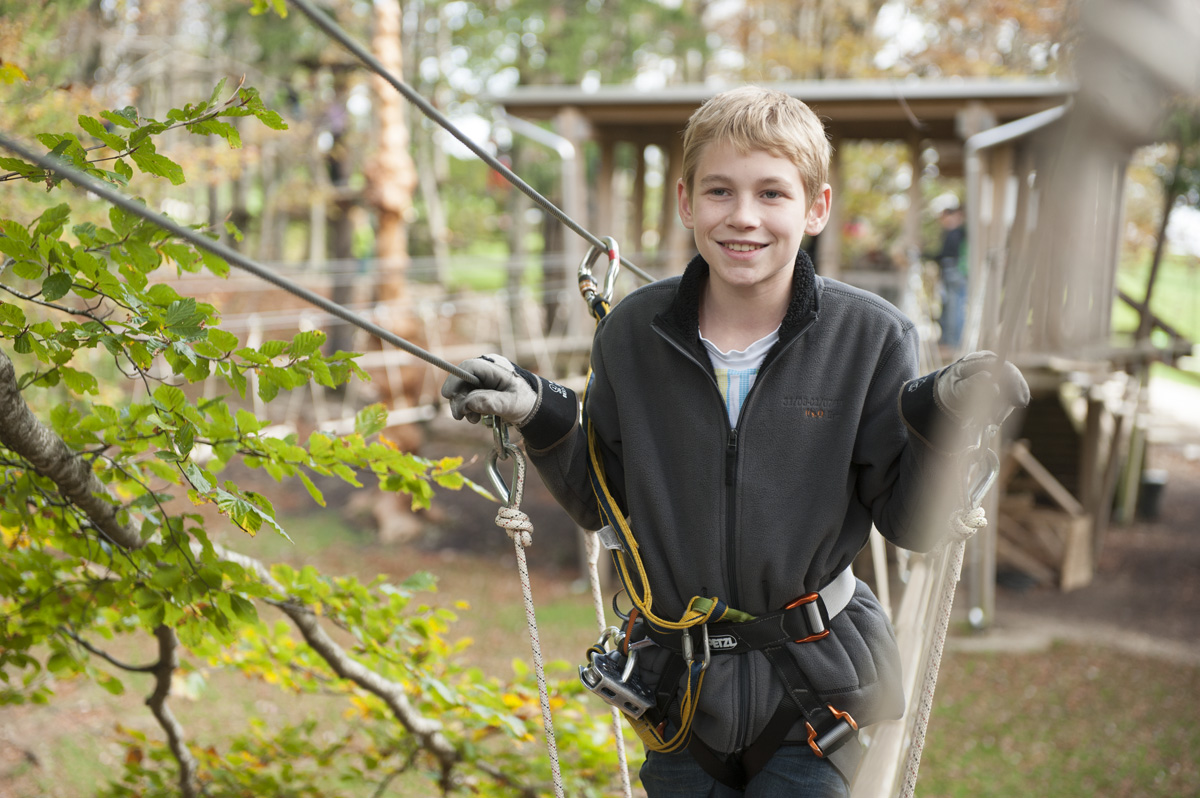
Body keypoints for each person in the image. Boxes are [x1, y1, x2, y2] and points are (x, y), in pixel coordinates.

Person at [442, 86, 1028, 797]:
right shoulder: (633, 334)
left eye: (772, 194)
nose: (743, 217)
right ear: (686, 202)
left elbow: (910, 524)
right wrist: (542, 412)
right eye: (720, 191)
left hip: (817, 691)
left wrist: (942, 429)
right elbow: (607, 500)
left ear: (815, 207)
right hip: (680, 696)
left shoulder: (871, 339)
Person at [930, 205, 967, 348]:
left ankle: (952, 342)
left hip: (953, 271)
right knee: (951, 307)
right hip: (953, 272)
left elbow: (946, 254)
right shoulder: (957, 233)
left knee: (954, 307)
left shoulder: (955, 233)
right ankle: (949, 341)